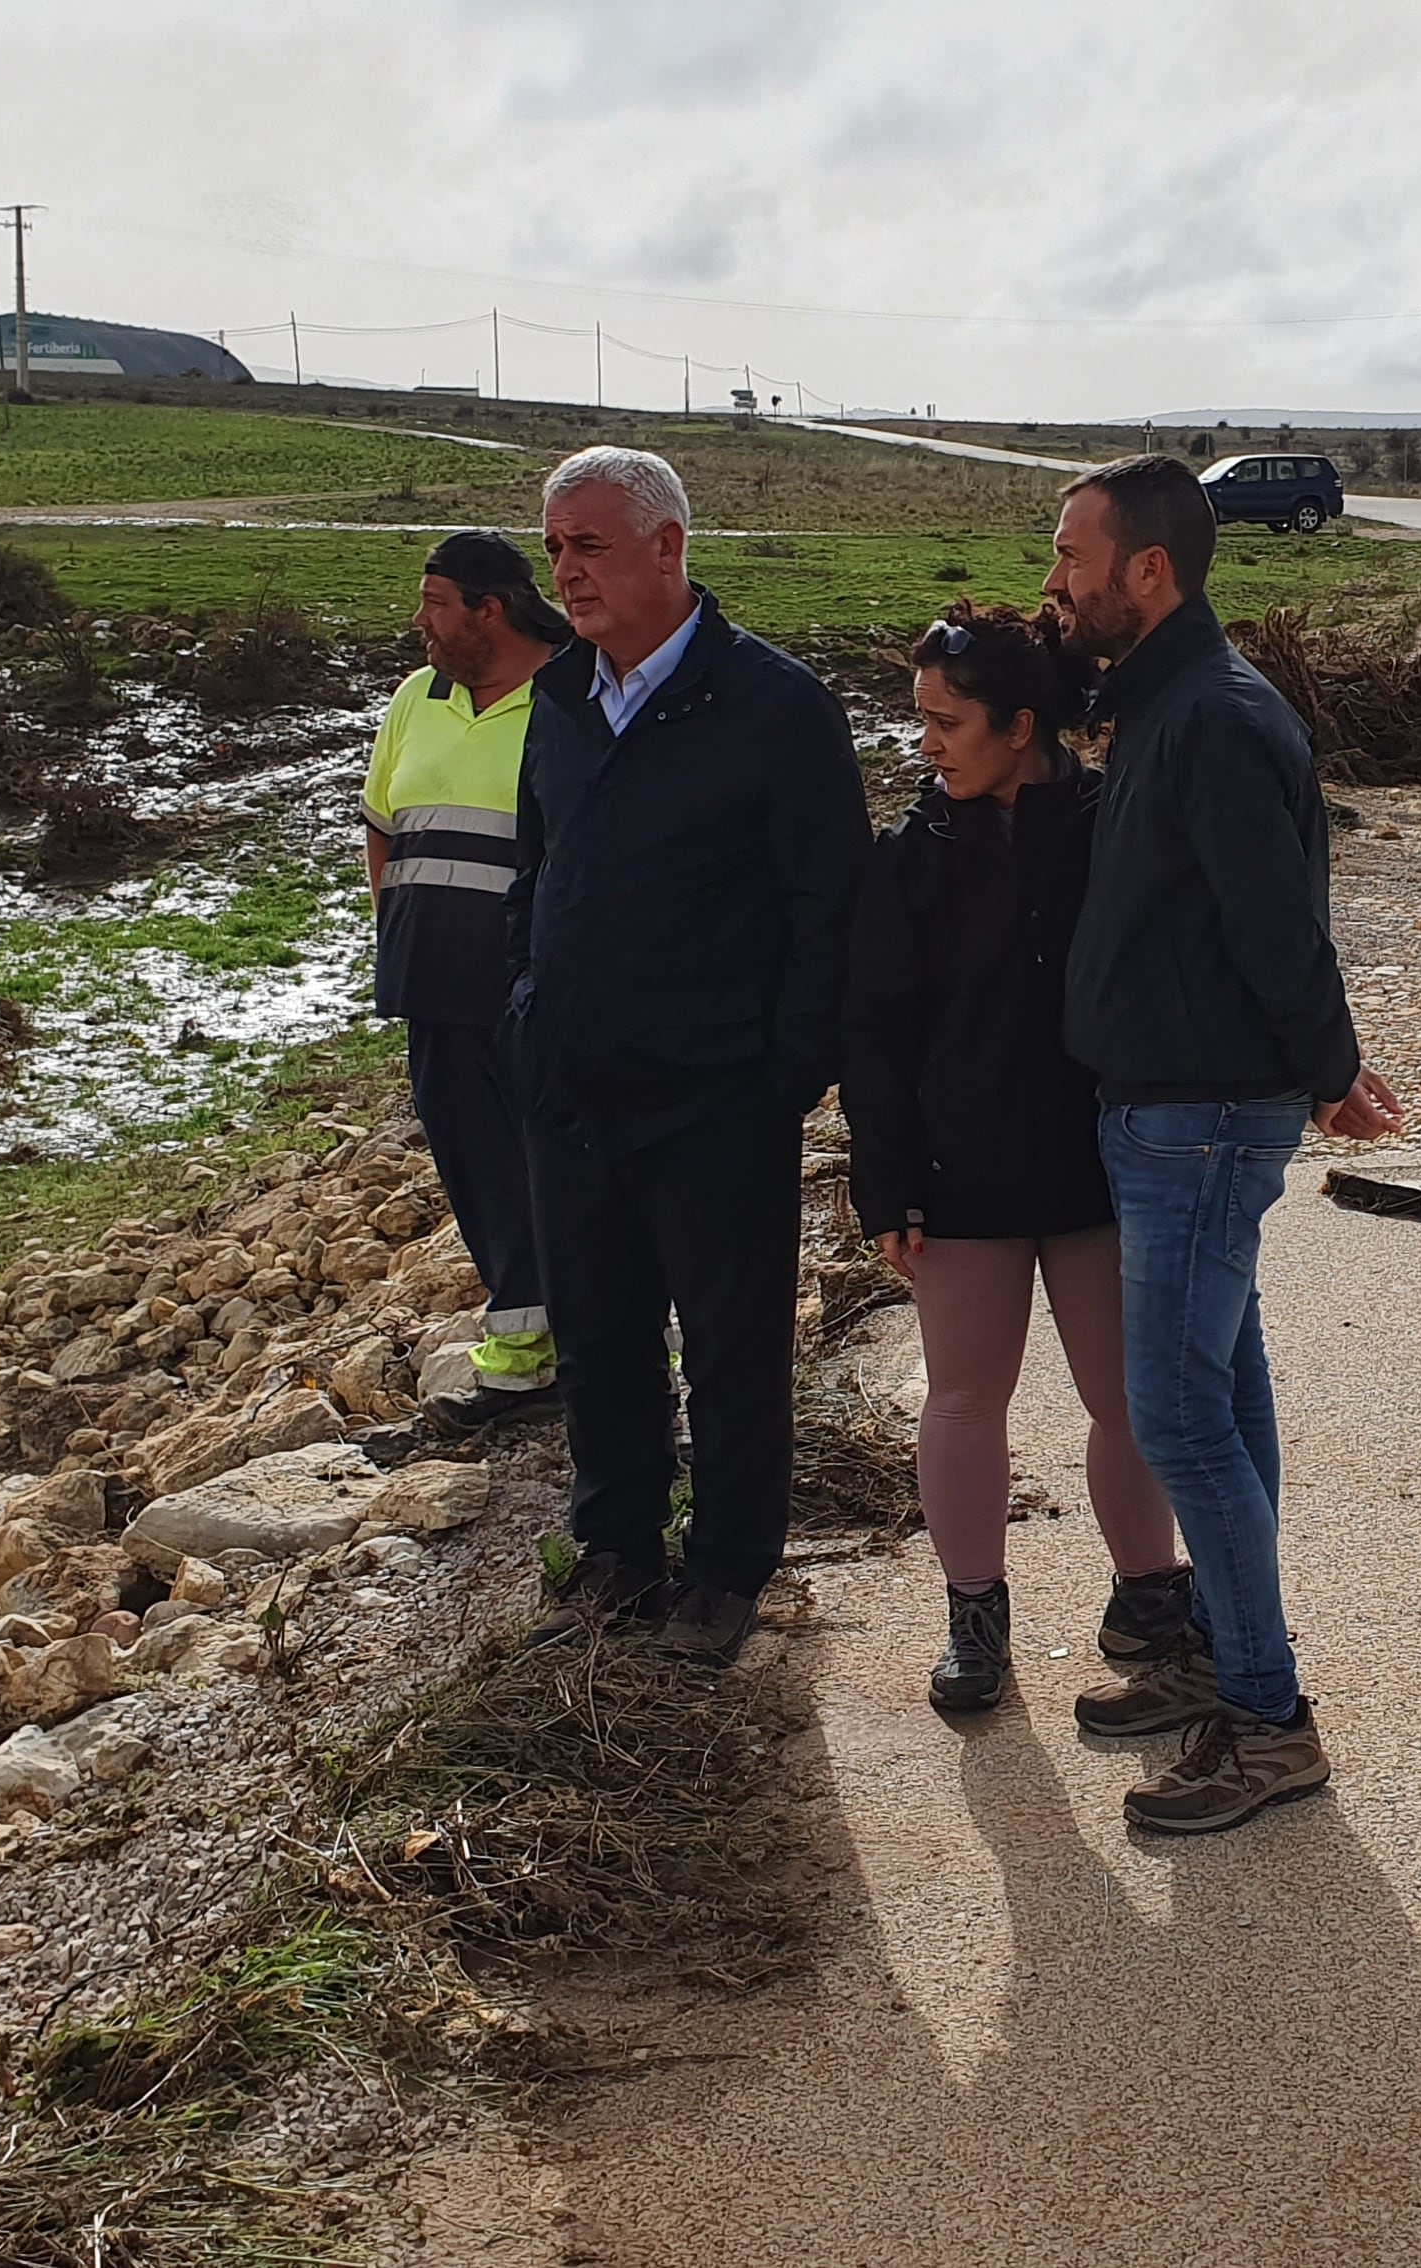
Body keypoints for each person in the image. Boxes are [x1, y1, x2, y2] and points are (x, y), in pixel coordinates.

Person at [1041, 454, 1402, 1837]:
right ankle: (1224, 1665)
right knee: (1222, 1399)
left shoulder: (1216, 719)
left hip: (1198, 1121)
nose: (1055, 582)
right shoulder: (1164, 702)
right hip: (1171, 1111)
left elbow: (1275, 930)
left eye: (1074, 557)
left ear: (1150, 569)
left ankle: (1267, 1718)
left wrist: (1327, 1069)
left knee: (1182, 1415)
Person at [510, 446, 866, 1665]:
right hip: (572, 1091)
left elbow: (830, 910)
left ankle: (724, 1572)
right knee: (600, 1336)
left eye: (589, 545)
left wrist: (781, 1074)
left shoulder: (771, 705)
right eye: (555, 546)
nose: (565, 570)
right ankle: (614, 1553)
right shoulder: (561, 698)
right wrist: (528, 1009)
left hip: (716, 1098)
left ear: (668, 547)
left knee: (728, 1349)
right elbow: (534, 874)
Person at [843, 602, 1196, 1716]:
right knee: (963, 1398)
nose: (927, 745)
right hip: (961, 1181)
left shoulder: (1111, 827)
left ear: (1024, 723)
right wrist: (886, 1180)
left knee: (1126, 1400)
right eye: (921, 723)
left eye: (948, 723)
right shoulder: (909, 858)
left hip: (1099, 1170)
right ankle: (974, 1619)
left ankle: (1147, 1596)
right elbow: (876, 1031)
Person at [366, 533, 577, 1442]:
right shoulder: (418, 698)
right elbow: (381, 819)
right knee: (481, 1177)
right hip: (432, 983)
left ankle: (616, 1348)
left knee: (566, 1171)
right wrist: (393, 922)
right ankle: (524, 1361)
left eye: (434, 604)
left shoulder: (574, 696)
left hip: (538, 992)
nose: (419, 622)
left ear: (489, 612)